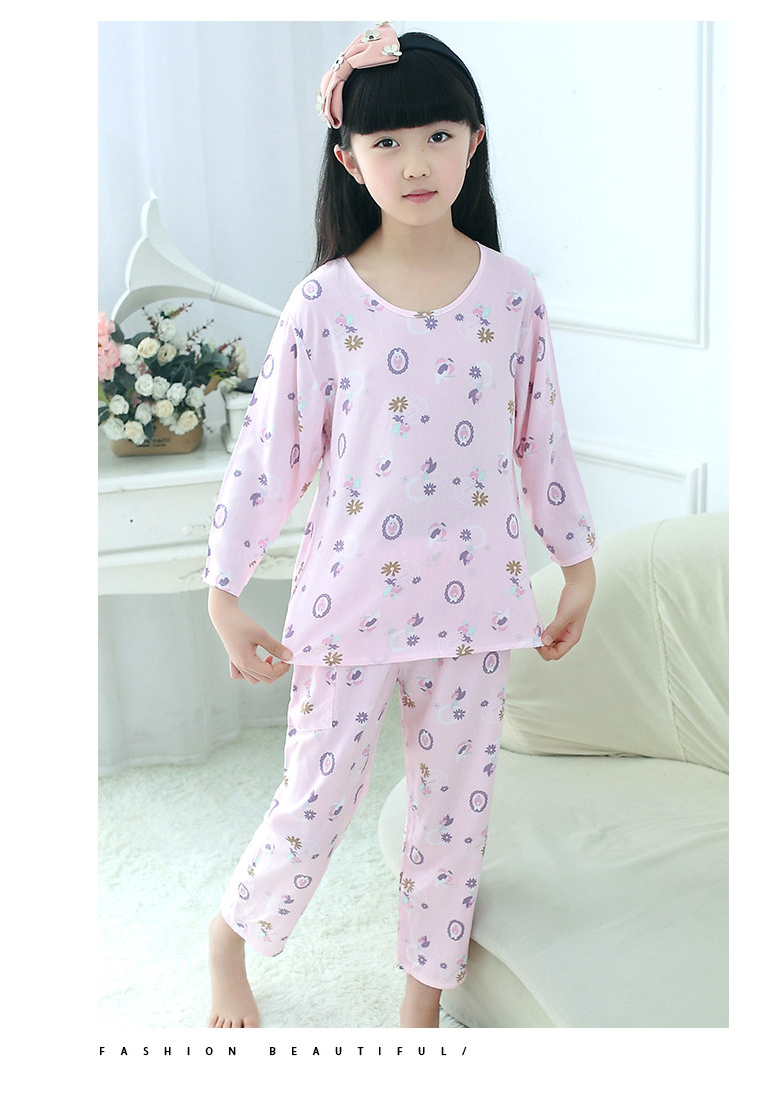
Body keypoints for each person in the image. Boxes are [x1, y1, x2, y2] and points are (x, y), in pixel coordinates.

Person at [204, 23, 597, 1029]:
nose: (414, 162)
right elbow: (270, 454)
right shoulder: (323, 304)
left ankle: (421, 1000)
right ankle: (230, 935)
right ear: (349, 159)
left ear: (473, 142)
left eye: (436, 135)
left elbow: (541, 438)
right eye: (386, 142)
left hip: (479, 607)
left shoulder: (512, 295)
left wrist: (576, 564)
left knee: (453, 816)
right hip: (350, 603)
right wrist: (224, 592)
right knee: (318, 795)